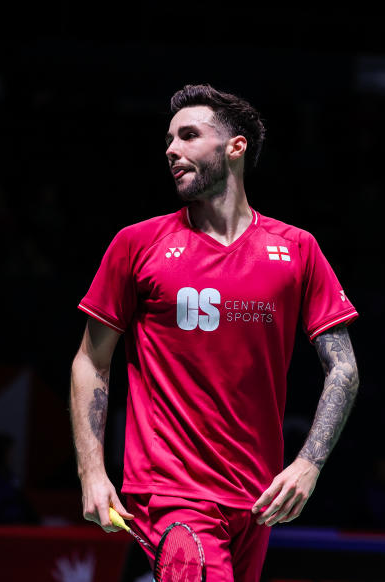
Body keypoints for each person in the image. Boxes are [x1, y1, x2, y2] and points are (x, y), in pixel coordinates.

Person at [70, 83, 360, 582]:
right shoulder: (138, 245)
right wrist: (91, 473)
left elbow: (344, 368)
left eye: (188, 136)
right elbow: (91, 361)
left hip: (257, 500)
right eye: (168, 139)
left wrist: (308, 464)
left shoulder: (297, 250)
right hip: (172, 493)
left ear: (235, 147)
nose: (171, 150)